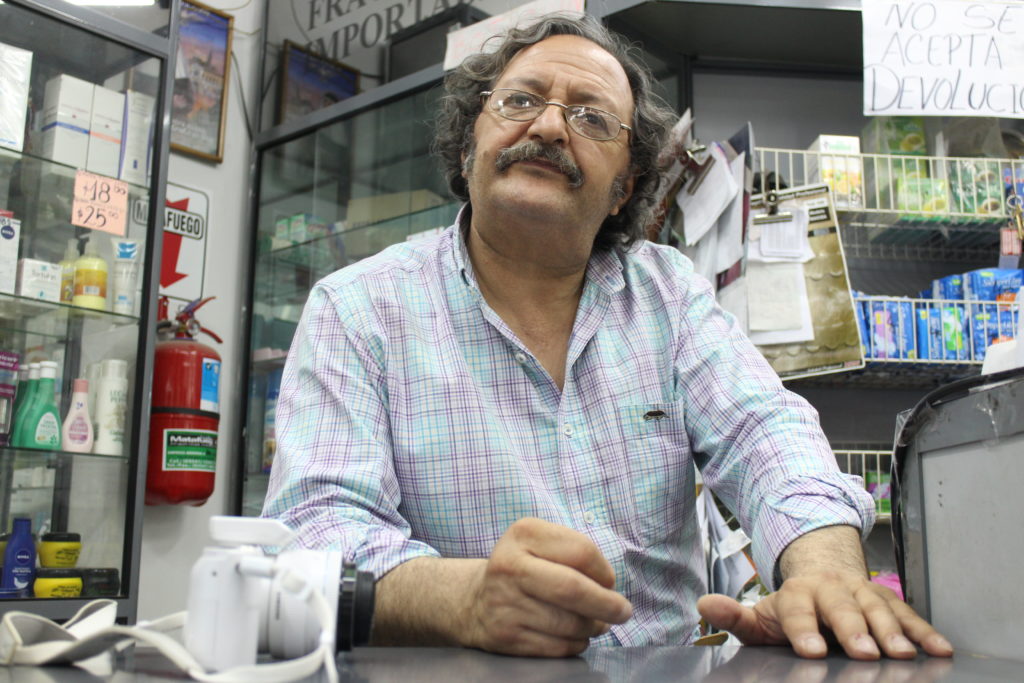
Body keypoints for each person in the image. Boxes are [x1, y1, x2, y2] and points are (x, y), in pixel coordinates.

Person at [263, 13, 953, 661]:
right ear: (470, 140)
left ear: (625, 185)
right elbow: (316, 530)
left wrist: (823, 570)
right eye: (521, 100)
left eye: (592, 117)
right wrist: (462, 599)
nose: (551, 126)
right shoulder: (357, 309)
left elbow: (765, 434)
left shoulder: (668, 294)